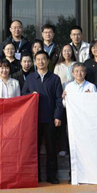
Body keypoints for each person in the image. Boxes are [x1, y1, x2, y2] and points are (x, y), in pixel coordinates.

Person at [22, 51, 63, 184]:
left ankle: (52, 176)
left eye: (43, 59)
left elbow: (59, 99)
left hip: (50, 118)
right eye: (38, 59)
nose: (41, 62)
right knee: (34, 148)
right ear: (35, 62)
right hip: (34, 119)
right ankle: (36, 175)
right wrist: (30, 95)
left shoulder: (55, 78)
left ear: (48, 61)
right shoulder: (30, 78)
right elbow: (23, 95)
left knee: (51, 148)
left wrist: (58, 116)